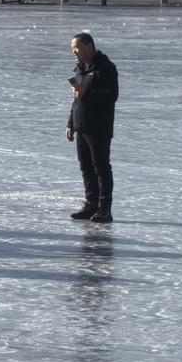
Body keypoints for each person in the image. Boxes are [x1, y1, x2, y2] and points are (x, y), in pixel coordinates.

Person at [66, 31, 120, 224]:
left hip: (99, 127)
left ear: (90, 46)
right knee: (86, 168)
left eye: (77, 47)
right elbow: (76, 99)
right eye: (72, 48)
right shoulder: (80, 69)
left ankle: (104, 210)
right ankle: (91, 205)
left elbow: (110, 95)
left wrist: (85, 92)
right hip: (82, 126)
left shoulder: (106, 68)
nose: (74, 51)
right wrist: (71, 123)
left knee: (101, 167)